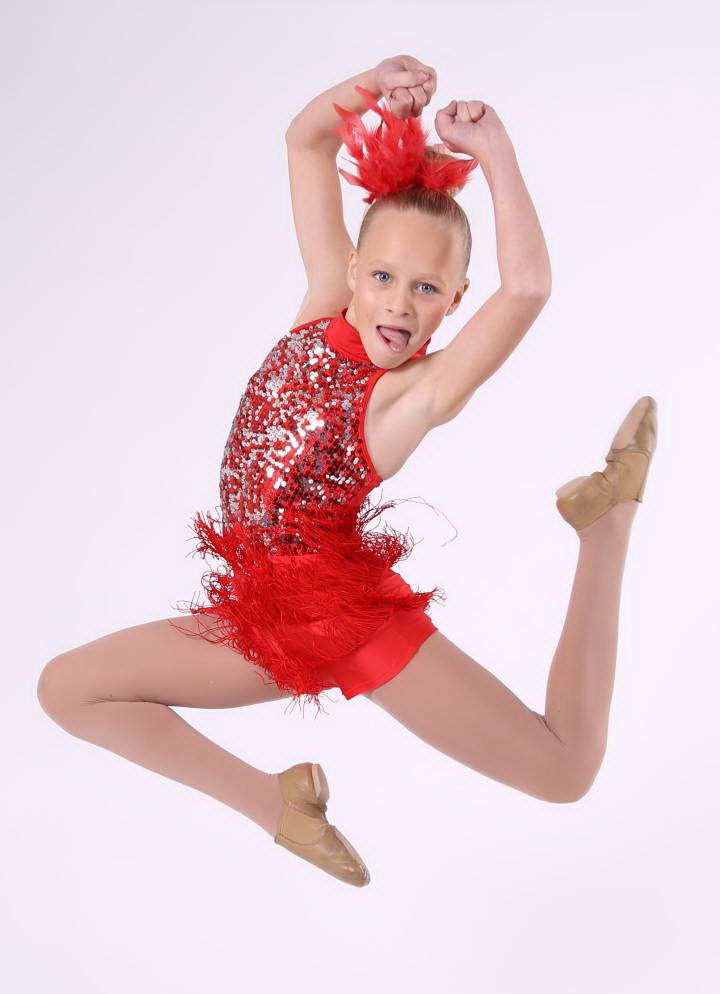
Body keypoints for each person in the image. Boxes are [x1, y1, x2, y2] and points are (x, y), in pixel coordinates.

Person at [36, 55, 658, 890]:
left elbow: (529, 286)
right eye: (385, 278)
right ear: (356, 271)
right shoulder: (324, 303)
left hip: (339, 619)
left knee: (564, 768)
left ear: (455, 301)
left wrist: (496, 151)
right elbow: (306, 142)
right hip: (262, 605)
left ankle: (605, 529)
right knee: (68, 688)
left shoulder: (407, 397)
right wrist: (374, 87)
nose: (399, 303)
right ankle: (277, 804)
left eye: (427, 289)